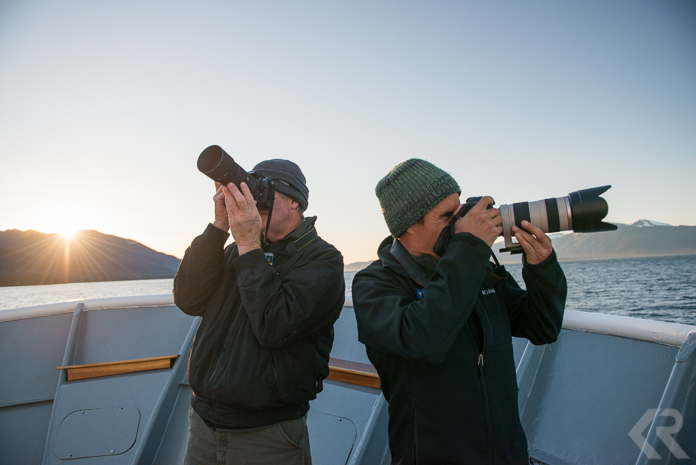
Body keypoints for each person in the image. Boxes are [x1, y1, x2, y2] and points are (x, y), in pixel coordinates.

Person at [352, 159, 567, 465]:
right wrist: (468, 249)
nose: (460, 222)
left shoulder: (474, 269)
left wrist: (542, 266)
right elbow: (422, 341)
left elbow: (541, 327)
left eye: (459, 210)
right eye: (446, 216)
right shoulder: (375, 284)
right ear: (408, 225)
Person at [174, 159, 345, 465]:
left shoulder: (322, 260)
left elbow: (275, 325)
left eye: (266, 193)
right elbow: (188, 299)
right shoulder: (235, 251)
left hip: (267, 435)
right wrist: (219, 227)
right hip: (203, 424)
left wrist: (249, 244)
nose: (254, 202)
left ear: (295, 202)